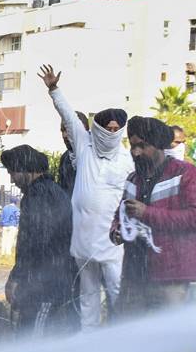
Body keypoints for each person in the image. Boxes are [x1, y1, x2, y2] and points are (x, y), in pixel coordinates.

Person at [111, 116, 196, 352]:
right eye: (133, 144)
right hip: (136, 276)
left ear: (159, 145)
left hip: (170, 277)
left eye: (142, 145)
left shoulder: (187, 174)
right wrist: (116, 230)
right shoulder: (132, 178)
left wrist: (148, 214)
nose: (136, 151)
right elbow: (123, 213)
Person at [0, 146, 89, 352]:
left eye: (13, 171)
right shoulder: (52, 192)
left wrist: (17, 279)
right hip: (55, 285)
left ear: (25, 168)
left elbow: (33, 242)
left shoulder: (38, 195)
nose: (12, 178)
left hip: (46, 289)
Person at [41, 65, 135, 330]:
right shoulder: (85, 147)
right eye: (109, 127)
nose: (112, 132)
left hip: (111, 238)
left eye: (118, 128)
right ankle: (89, 338)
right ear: (99, 128)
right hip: (83, 235)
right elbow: (70, 118)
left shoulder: (128, 159)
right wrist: (54, 89)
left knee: (116, 289)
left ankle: (121, 337)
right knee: (88, 292)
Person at [55, 110, 90, 196]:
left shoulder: (94, 155)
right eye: (62, 130)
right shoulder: (65, 157)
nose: (64, 135)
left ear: (84, 129)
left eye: (68, 129)